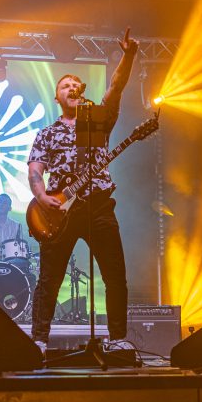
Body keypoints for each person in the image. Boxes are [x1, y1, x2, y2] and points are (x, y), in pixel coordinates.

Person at [28, 27, 138, 354]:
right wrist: (41, 196)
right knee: (49, 280)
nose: (72, 86)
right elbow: (35, 170)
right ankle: (38, 341)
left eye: (76, 83)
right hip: (59, 209)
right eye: (65, 85)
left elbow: (115, 89)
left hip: (99, 205)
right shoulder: (47, 133)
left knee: (115, 275)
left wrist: (128, 55)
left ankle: (117, 339)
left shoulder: (99, 121)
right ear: (56, 96)